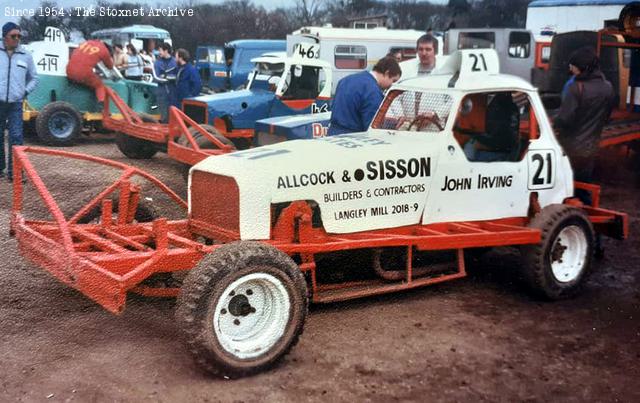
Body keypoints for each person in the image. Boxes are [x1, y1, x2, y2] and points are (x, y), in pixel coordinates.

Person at [554, 46, 615, 205]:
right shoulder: (608, 87)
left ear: (580, 67)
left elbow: (565, 119)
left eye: (572, 65)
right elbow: (606, 117)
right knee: (582, 187)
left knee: (564, 189)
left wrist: (555, 123)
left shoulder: (575, 87)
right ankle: (586, 217)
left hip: (570, 148)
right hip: (591, 147)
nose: (570, 68)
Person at [0, 22, 38, 181]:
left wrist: (25, 91)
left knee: (16, 137)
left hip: (16, 103)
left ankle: (14, 173)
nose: (17, 39)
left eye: (19, 36)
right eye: (13, 36)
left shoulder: (26, 55)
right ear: (4, 37)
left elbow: (34, 78)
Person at [328, 56, 401, 136]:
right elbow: (372, 126)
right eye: (393, 81)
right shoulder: (373, 92)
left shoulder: (345, 80)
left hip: (332, 134)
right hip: (354, 137)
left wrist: (392, 122)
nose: (392, 85)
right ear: (387, 73)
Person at [462, 92, 520, 162]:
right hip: (503, 144)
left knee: (471, 144)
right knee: (472, 143)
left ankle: (466, 165)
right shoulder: (510, 107)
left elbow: (495, 127)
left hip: (501, 147)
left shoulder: (500, 106)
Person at [67, 39, 113, 108]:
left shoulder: (86, 43)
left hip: (69, 70)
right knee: (99, 85)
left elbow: (84, 58)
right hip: (83, 73)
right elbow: (110, 66)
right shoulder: (104, 51)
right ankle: (101, 102)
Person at [154, 42, 177, 122]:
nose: (159, 52)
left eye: (160, 50)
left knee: (173, 113)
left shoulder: (175, 62)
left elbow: (177, 76)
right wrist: (169, 78)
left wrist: (166, 77)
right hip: (162, 91)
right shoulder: (157, 63)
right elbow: (156, 77)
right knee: (163, 114)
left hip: (173, 91)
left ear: (166, 50)